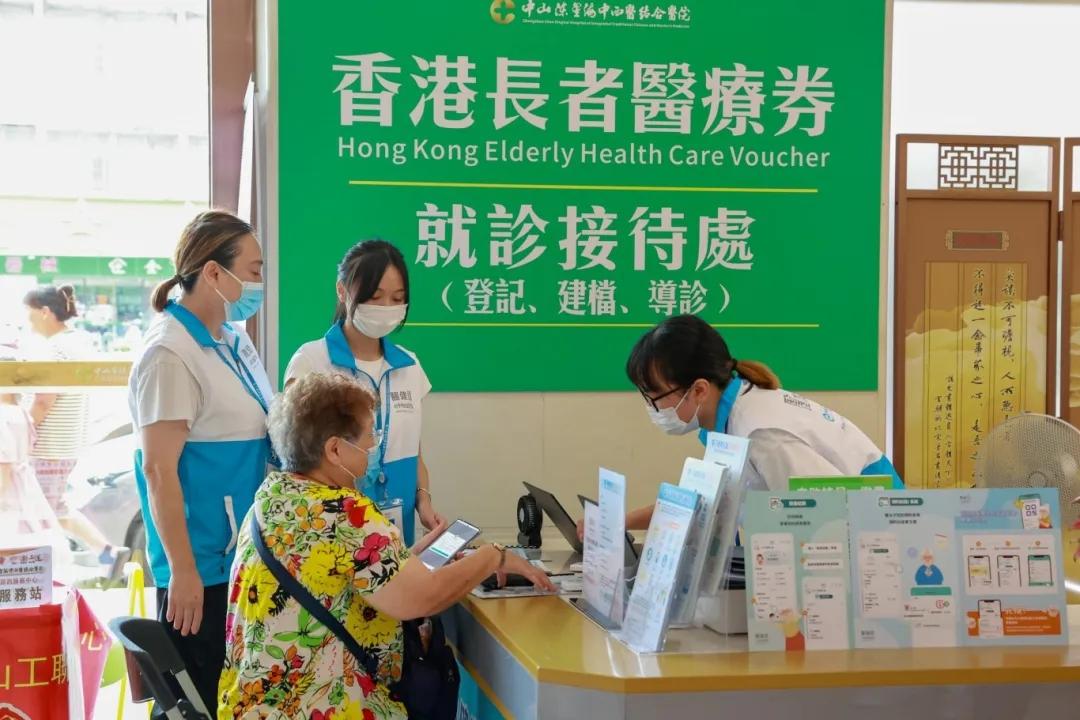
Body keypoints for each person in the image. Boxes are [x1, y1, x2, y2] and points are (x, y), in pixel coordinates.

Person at [219, 372, 553, 720]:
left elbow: (344, 576)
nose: (373, 448)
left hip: (255, 705)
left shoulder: (272, 498)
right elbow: (421, 598)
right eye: (369, 436)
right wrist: (492, 556)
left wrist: (412, 558)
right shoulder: (344, 512)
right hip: (320, 707)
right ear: (334, 449)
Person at [128, 210, 274, 714]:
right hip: (201, 571)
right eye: (253, 270)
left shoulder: (233, 340)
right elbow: (157, 470)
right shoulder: (169, 354)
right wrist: (183, 572)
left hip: (238, 557)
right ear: (214, 272)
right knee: (202, 700)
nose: (259, 282)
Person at [608, 314, 902, 535]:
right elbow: (702, 504)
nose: (653, 408)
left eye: (655, 397)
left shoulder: (761, 433)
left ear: (698, 390)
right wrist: (622, 521)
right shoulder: (728, 421)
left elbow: (827, 518)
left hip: (882, 542)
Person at [284, 240, 441, 546]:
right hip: (331, 533)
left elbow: (414, 451)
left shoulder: (409, 366)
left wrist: (424, 500)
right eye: (375, 297)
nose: (386, 308)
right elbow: (296, 461)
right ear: (342, 291)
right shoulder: (311, 362)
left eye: (397, 298)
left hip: (397, 534)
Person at [23, 284, 118, 566]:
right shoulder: (78, 343)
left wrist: (22, 432)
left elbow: (43, 400)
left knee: (40, 515)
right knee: (55, 508)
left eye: (29, 313)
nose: (28, 321)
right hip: (66, 444)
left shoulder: (55, 349)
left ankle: (53, 570)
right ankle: (107, 553)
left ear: (44, 312)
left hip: (48, 447)